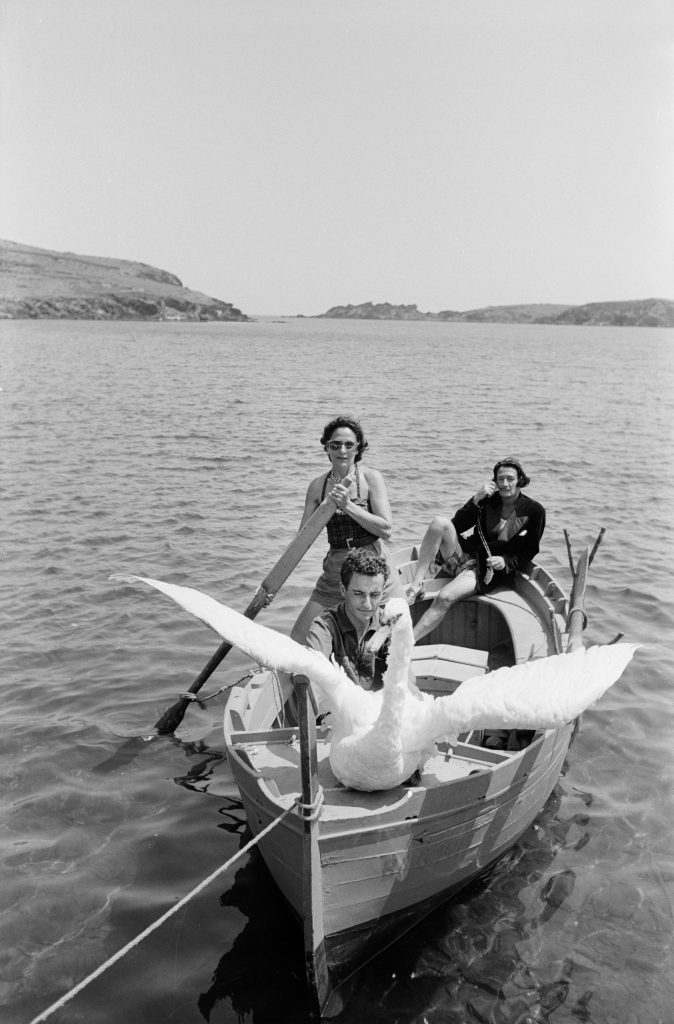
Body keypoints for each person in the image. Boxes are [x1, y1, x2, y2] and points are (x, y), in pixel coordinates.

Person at [290, 415, 405, 643]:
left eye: (349, 445)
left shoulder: (371, 478)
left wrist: (347, 505)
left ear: (358, 448)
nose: (342, 450)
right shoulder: (317, 486)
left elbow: (386, 530)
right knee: (298, 638)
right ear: (327, 448)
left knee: (396, 632)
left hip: (375, 565)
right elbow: (302, 540)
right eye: (335, 445)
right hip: (337, 568)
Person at [406, 457, 546, 643]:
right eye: (500, 479)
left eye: (510, 479)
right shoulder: (487, 500)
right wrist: (476, 500)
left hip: (485, 570)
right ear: (495, 481)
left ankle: (408, 642)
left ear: (520, 479)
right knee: (439, 523)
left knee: (445, 597)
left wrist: (505, 561)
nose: (505, 484)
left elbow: (530, 550)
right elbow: (456, 525)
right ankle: (417, 584)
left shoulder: (534, 510)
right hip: (465, 555)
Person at [305, 549, 390, 691]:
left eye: (375, 595)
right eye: (358, 594)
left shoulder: (387, 624)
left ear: (383, 592)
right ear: (343, 590)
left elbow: (406, 676)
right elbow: (313, 673)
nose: (367, 604)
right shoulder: (324, 627)